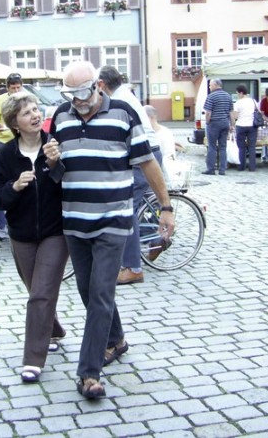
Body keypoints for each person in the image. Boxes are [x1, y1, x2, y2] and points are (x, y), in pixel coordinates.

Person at [44, 60, 175, 400]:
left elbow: (147, 163)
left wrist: (166, 207)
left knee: (101, 292)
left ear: (99, 86)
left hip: (113, 221)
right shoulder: (60, 116)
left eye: (83, 93)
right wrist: (53, 162)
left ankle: (89, 373)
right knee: (88, 291)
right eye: (70, 95)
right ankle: (116, 339)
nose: (78, 101)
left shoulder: (123, 115)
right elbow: (57, 174)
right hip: (75, 221)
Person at [0, 93, 68, 384]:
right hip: (20, 235)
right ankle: (54, 329)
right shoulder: (4, 155)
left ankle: (33, 359)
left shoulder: (55, 145)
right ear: (14, 124)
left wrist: (56, 165)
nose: (34, 115)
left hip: (55, 232)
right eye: (26, 113)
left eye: (36, 110)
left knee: (42, 292)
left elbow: (69, 185)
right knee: (36, 290)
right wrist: (14, 186)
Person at [97, 65, 162, 286]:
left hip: (143, 157)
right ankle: (156, 238)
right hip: (146, 153)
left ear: (102, 85)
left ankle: (133, 267)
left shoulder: (120, 102)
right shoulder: (125, 94)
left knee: (127, 208)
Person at [202, 78, 233, 175]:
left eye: (210, 85)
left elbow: (208, 112)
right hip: (225, 123)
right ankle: (222, 169)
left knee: (212, 146)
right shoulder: (228, 96)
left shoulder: (211, 96)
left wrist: (207, 122)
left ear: (215, 85)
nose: (209, 87)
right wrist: (232, 125)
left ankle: (211, 169)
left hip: (214, 123)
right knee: (223, 147)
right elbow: (231, 113)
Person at [144, 105, 180, 181]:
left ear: (151, 117)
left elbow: (169, 156)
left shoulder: (165, 133)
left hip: (162, 174)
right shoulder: (143, 132)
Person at [0, 73, 24, 144]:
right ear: (7, 88)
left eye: (18, 87)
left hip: (24, 139)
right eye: (13, 88)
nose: (16, 90)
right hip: (5, 140)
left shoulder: (27, 99)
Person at [232, 85, 257, 172]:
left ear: (241, 93)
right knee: (252, 147)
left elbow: (235, 116)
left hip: (241, 126)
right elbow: (258, 111)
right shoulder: (253, 101)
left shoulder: (238, 103)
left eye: (237, 93)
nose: (237, 95)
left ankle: (241, 166)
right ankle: (252, 167)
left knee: (241, 147)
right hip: (252, 126)